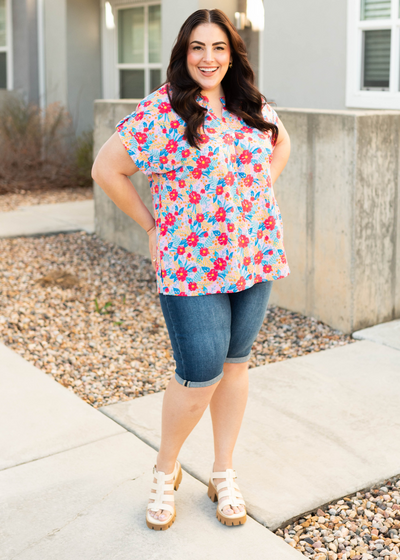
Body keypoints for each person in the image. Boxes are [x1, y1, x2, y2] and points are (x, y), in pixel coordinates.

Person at [92, 8, 291, 531]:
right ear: (184, 53)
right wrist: (152, 227)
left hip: (254, 256)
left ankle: (223, 472)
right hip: (190, 265)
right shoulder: (163, 109)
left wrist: (256, 195)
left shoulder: (249, 102)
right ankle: (165, 468)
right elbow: (106, 168)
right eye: (198, 47)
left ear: (232, 53)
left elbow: (282, 143)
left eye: (219, 48)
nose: (209, 58)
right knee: (198, 372)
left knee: (235, 365)